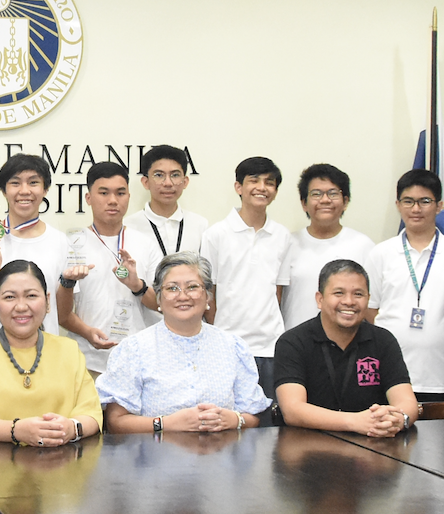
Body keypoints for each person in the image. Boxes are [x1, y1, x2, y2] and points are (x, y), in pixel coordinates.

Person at [95, 252, 270, 433]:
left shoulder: (233, 346)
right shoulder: (133, 349)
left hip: (220, 455)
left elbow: (252, 415)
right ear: (159, 298)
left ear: (208, 296)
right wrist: (167, 424)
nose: (183, 296)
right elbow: (116, 422)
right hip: (154, 457)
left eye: (193, 287)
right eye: (172, 288)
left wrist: (234, 420)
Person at [0, 260, 103, 445]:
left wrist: (72, 428)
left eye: (31, 296)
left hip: (60, 464)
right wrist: (16, 431)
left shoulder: (69, 350)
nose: (21, 306)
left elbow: (92, 413)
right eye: (9, 297)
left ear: (47, 301)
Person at [363, 169, 444, 402]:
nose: (416, 209)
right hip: (391, 373)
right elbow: (370, 308)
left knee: (440, 438)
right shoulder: (381, 253)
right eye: (408, 201)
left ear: (439, 205)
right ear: (398, 204)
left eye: (425, 201)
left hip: (442, 373)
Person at [274, 259, 419, 438]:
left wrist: (398, 419)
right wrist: (355, 422)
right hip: (309, 447)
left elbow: (406, 401)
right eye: (339, 293)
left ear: (368, 299)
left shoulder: (383, 340)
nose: (349, 301)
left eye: (358, 294)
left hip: (372, 448)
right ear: (320, 299)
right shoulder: (293, 342)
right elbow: (293, 411)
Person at [57, 162, 158, 378]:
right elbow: (61, 314)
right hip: (87, 361)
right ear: (89, 198)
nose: (113, 200)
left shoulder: (145, 244)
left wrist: (136, 285)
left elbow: (160, 304)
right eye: (104, 193)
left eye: (120, 193)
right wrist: (88, 332)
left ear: (129, 197)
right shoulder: (72, 244)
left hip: (138, 362)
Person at [201, 157, 290, 399]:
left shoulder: (282, 235)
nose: (262, 187)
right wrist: (219, 333)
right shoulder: (216, 235)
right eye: (254, 180)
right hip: (227, 345)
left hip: (270, 346)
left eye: (269, 183)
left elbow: (278, 291)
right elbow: (209, 292)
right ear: (238, 187)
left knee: (267, 421)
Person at [0, 154, 69, 339]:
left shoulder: (60, 241)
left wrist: (69, 283)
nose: (24, 191)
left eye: (33, 183)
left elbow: (61, 315)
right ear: (4, 190)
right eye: (15, 183)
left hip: (43, 354)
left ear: (45, 189)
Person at [278, 164, 375, 333]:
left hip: (348, 344)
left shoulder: (363, 245)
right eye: (316, 194)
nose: (325, 200)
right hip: (296, 344)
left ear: (345, 202)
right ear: (304, 203)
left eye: (333, 193)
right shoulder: (287, 244)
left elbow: (371, 304)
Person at [124, 145, 208, 261]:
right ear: (145, 182)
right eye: (159, 175)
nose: (168, 183)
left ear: (185, 182)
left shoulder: (200, 225)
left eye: (175, 175)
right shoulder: (128, 226)